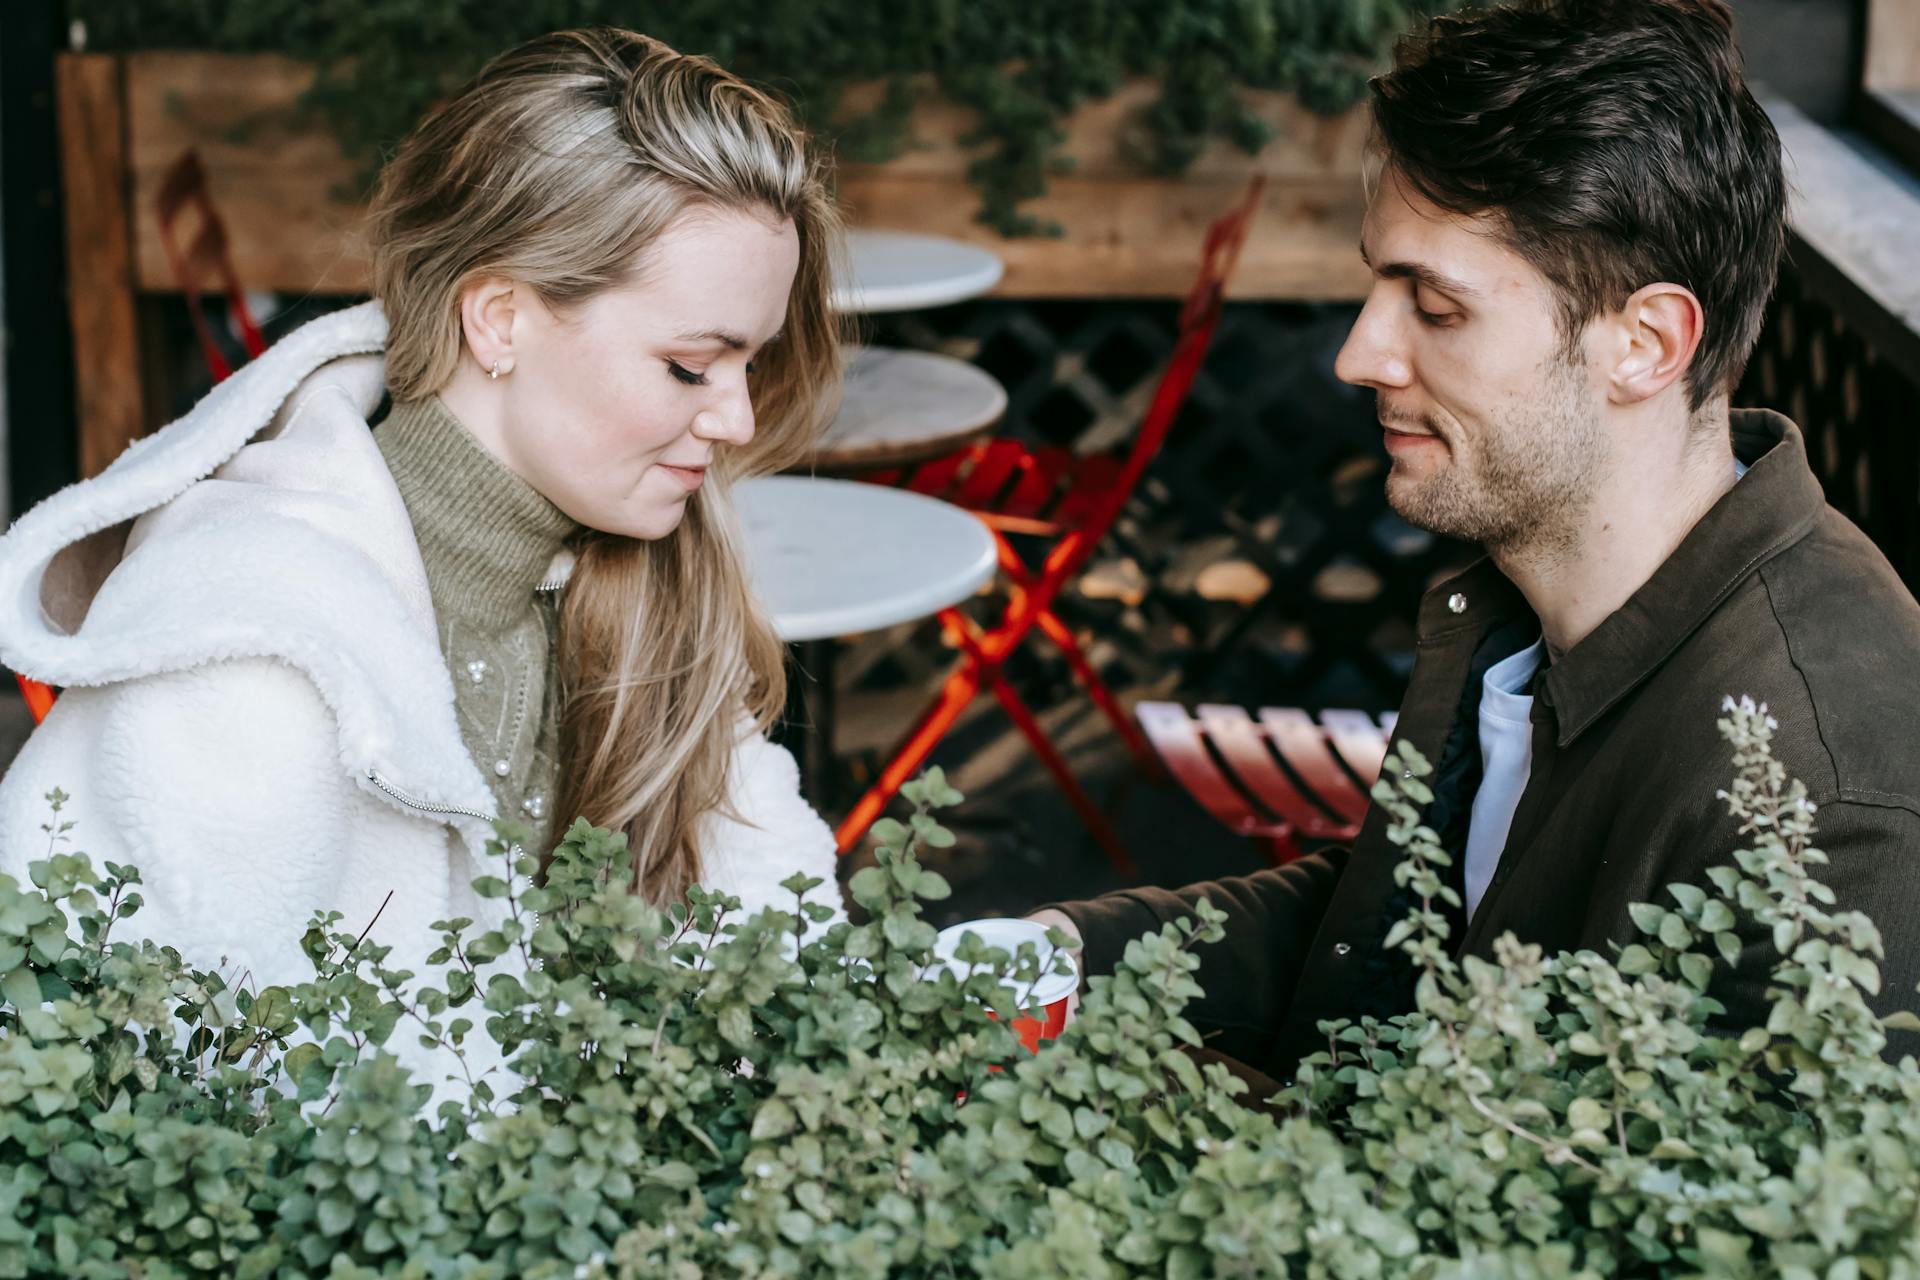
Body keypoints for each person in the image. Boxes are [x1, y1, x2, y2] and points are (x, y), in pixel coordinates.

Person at [1033, 0, 1920, 1078]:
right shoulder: (1538, 592)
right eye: (1376, 282)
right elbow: (1399, 925)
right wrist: (1053, 963)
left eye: (1437, 308)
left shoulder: (1827, 804)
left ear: (1644, 343)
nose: (1359, 353)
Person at [0, 29, 849, 1082]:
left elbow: (767, 891)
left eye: (752, 362)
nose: (736, 417)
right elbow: (190, 1107)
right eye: (689, 366)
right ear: (498, 318)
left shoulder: (638, 564)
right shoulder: (247, 656)